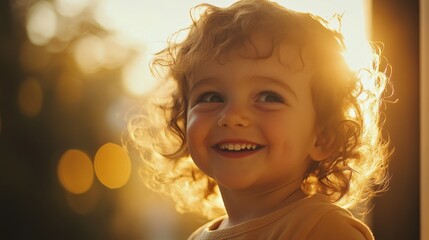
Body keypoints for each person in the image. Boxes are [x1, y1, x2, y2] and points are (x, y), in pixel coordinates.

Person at [127, 0, 391, 239]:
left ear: (323, 135)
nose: (231, 116)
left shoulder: (323, 230)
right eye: (211, 97)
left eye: (268, 97)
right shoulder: (198, 237)